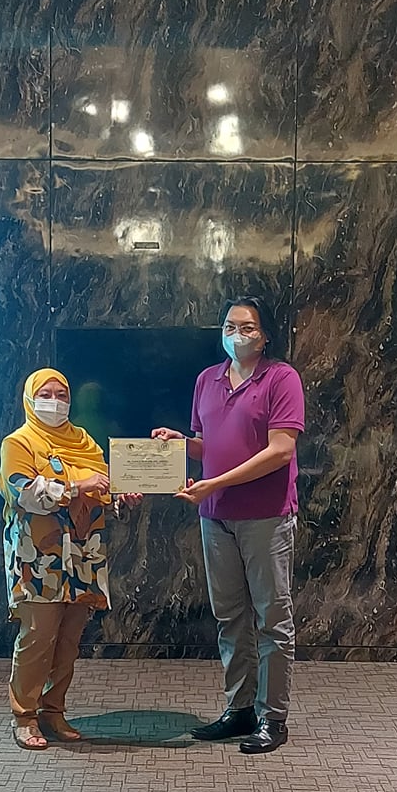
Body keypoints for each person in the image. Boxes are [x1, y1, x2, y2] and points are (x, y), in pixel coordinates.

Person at [152, 297, 304, 755]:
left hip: (266, 515)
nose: (237, 335)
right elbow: (209, 444)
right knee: (230, 617)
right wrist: (182, 444)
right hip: (215, 516)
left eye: (247, 327)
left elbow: (280, 450)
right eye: (229, 326)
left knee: (272, 618)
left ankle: (272, 717)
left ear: (266, 334)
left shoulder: (281, 378)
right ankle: (240, 709)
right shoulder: (207, 380)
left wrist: (215, 482)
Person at [0, 368, 141, 751]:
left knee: (68, 641)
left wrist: (121, 498)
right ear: (30, 399)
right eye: (45, 394)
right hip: (38, 560)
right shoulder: (19, 442)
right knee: (37, 638)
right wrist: (77, 486)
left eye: (61, 395)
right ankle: (24, 715)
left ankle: (53, 711)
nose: (54, 402)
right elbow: (23, 492)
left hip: (82, 558)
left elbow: (103, 493)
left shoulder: (84, 442)